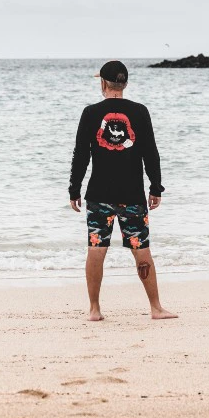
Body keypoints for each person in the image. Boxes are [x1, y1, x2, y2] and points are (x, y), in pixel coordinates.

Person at [69, 60, 177, 321]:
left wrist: (74, 189)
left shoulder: (90, 113)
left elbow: (81, 155)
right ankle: (156, 308)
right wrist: (156, 187)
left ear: (103, 83)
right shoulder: (140, 112)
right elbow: (151, 153)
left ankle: (94, 309)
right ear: (125, 84)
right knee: (141, 248)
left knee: (96, 248)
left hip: (99, 195)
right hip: (132, 195)